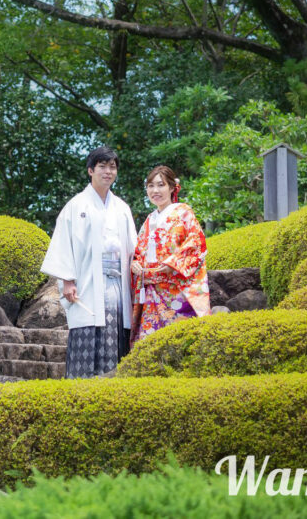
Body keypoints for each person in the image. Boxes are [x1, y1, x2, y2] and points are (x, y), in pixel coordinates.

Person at [41, 146, 137, 379]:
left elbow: (134, 248)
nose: (108, 172)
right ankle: (81, 388)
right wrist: (67, 280)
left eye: (112, 167)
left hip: (118, 282)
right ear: (90, 170)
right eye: (102, 166)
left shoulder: (122, 208)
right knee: (87, 330)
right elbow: (64, 243)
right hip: (87, 281)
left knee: (117, 330)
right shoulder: (76, 205)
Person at [130, 165, 211, 342]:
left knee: (181, 339)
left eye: (161, 185)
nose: (155, 190)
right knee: (150, 341)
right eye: (151, 186)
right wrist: (135, 263)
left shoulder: (184, 212)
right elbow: (139, 251)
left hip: (176, 289)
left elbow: (196, 244)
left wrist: (171, 264)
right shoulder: (149, 219)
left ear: (172, 187)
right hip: (152, 290)